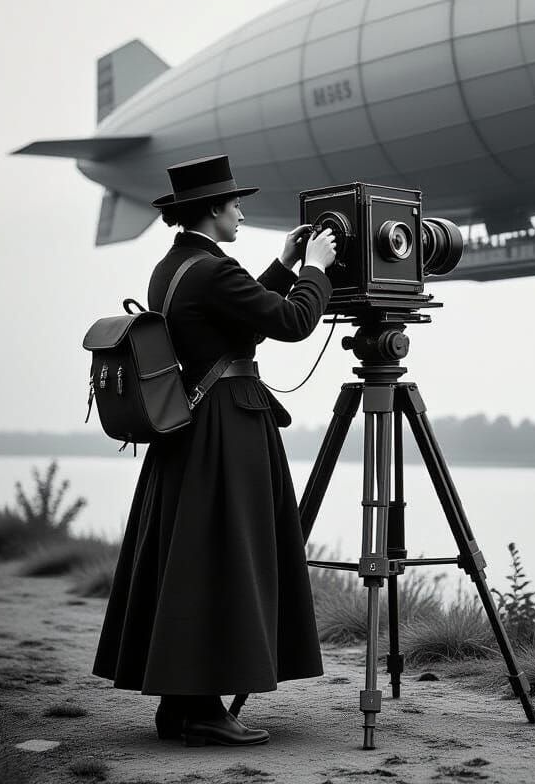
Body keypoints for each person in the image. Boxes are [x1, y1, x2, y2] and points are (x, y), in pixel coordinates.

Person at [92, 154, 337, 747]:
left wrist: (283, 264)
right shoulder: (212, 271)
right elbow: (293, 321)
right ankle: (200, 709)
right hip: (224, 431)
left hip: (189, 430)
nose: (241, 212)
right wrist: (318, 271)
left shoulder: (175, 266)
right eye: (234, 205)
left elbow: (240, 316)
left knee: (194, 559)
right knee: (223, 558)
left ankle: (184, 706)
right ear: (212, 209)